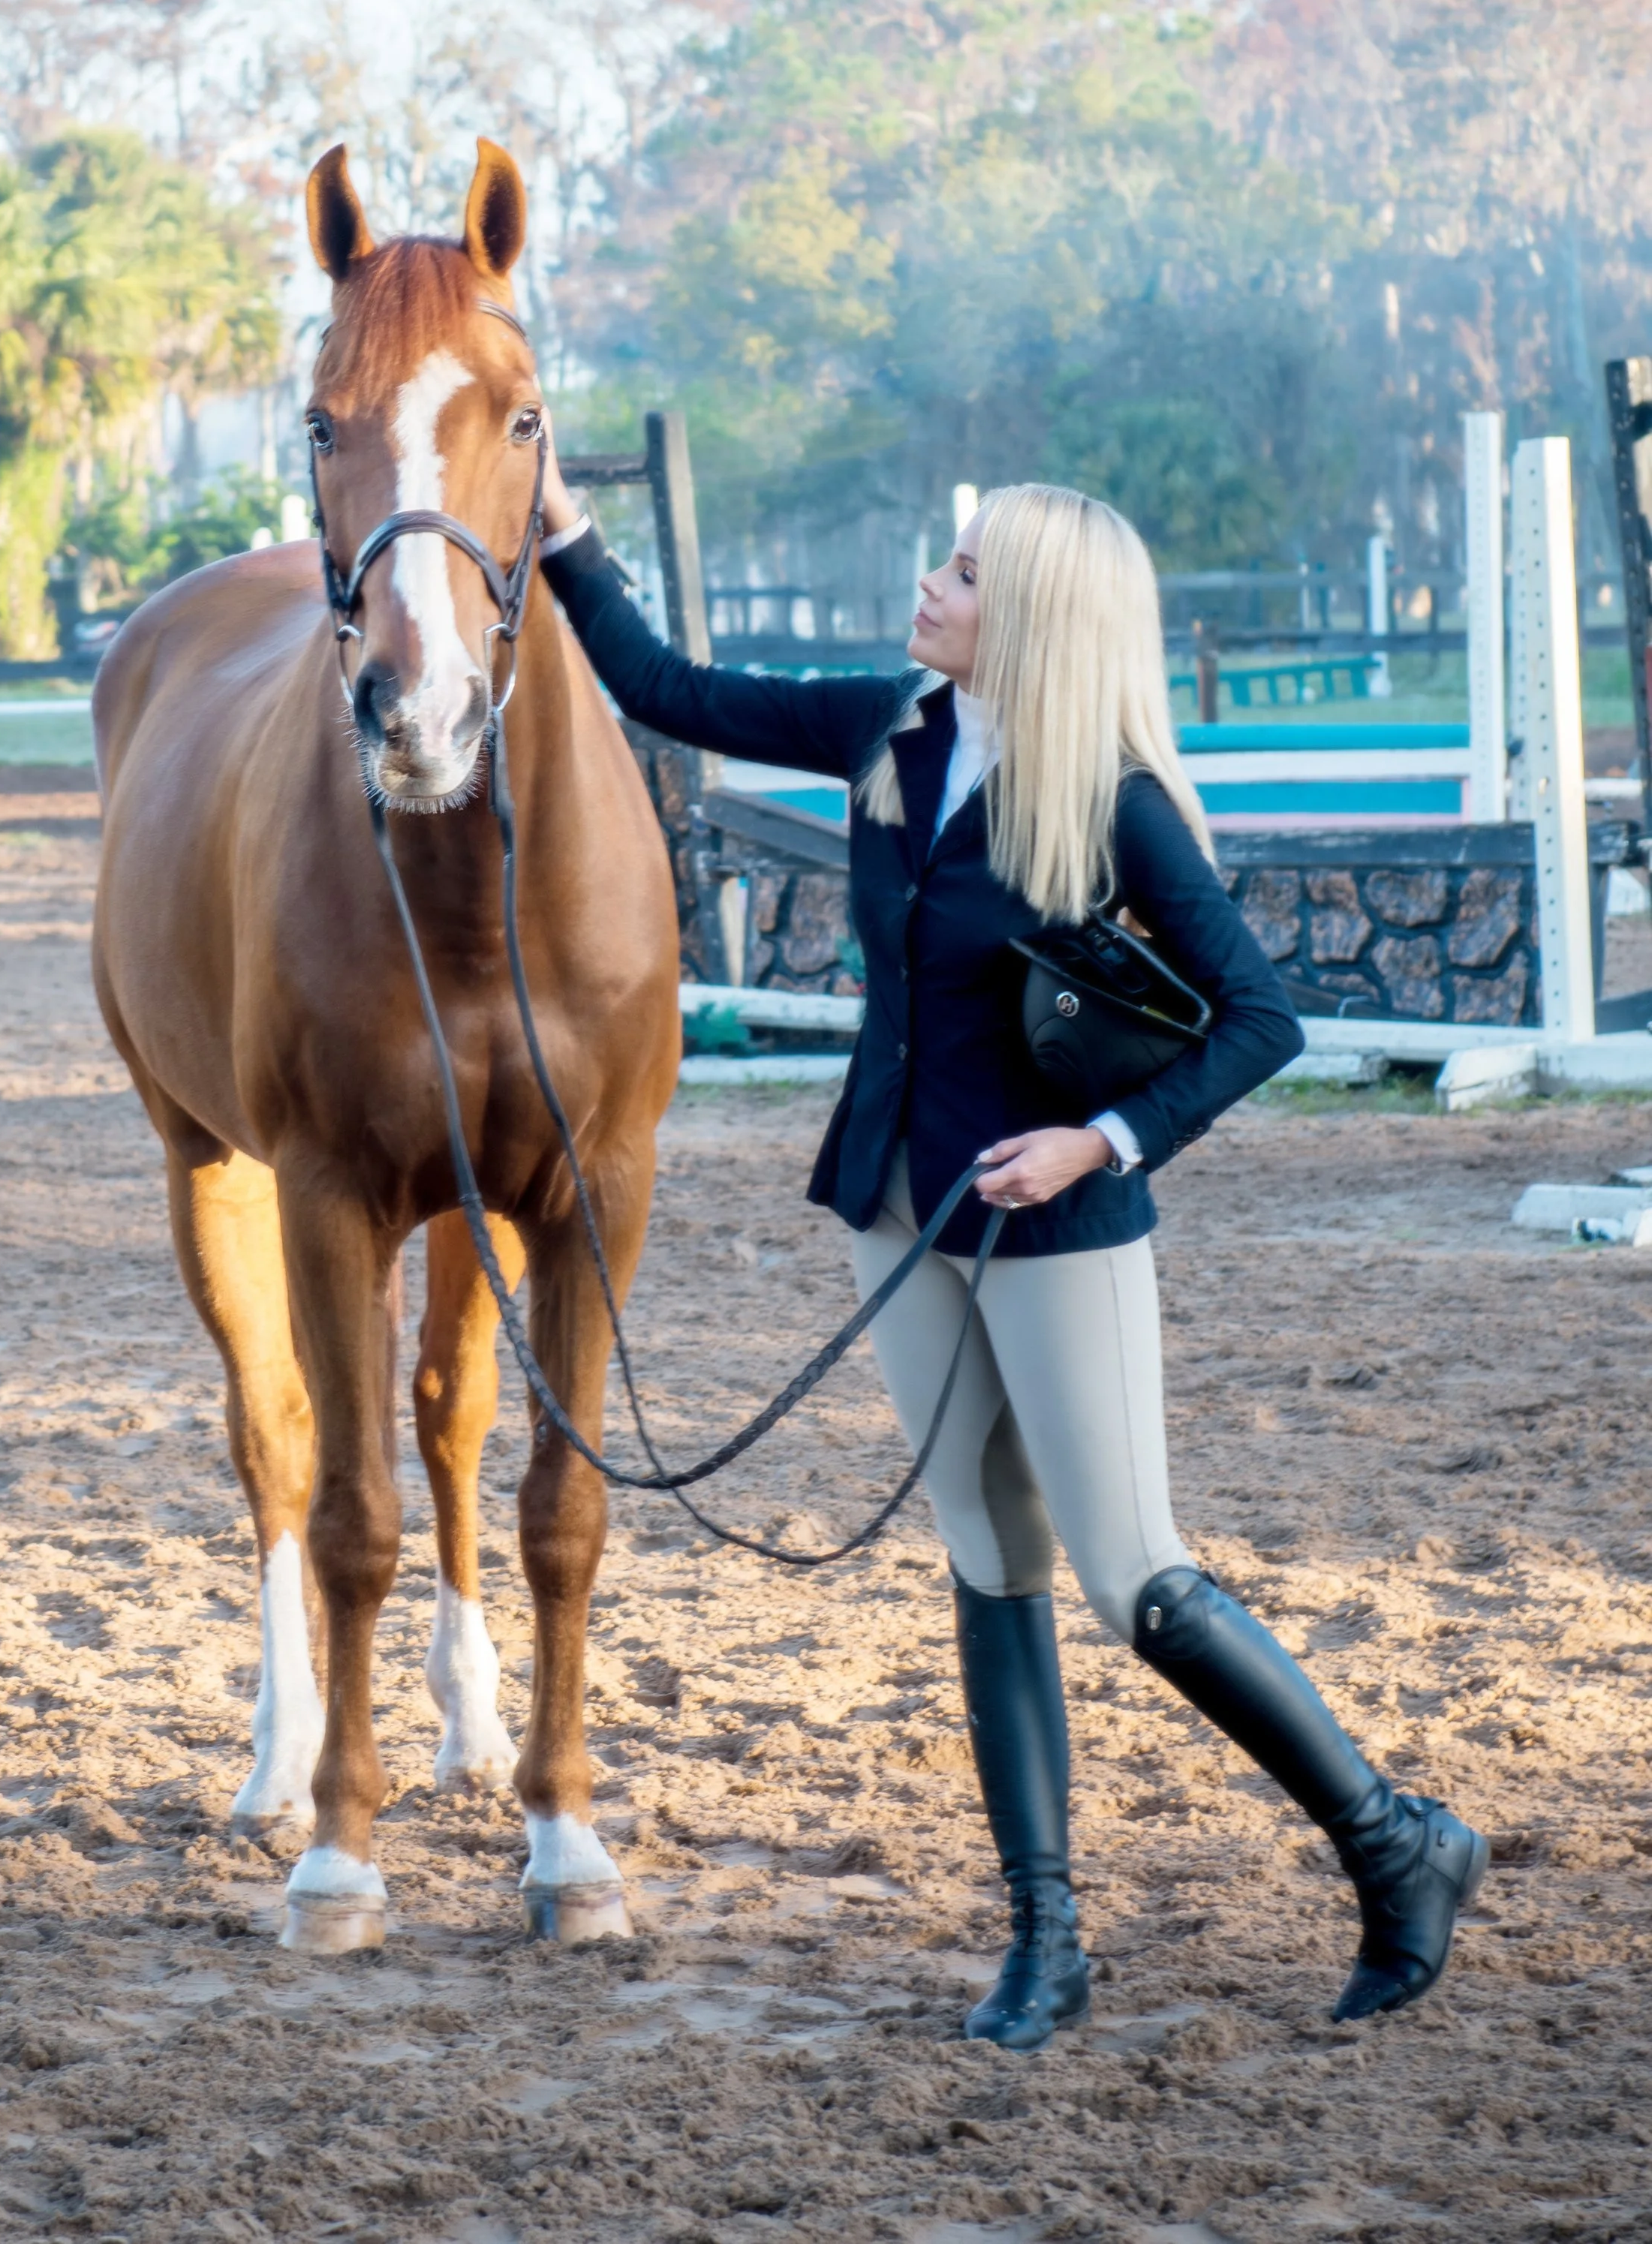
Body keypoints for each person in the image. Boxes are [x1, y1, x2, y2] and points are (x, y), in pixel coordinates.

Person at [536, 465, 1488, 2051]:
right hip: (898, 1208)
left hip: (1054, 1225)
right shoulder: (887, 728)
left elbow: (1263, 1020)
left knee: (1135, 1579)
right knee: (987, 1562)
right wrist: (559, 525)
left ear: (1033, 614)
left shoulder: (1110, 796)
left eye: (966, 572)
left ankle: (1396, 1844)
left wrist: (1097, 1142)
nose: (933, 583)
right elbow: (663, 688)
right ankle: (1046, 1942)